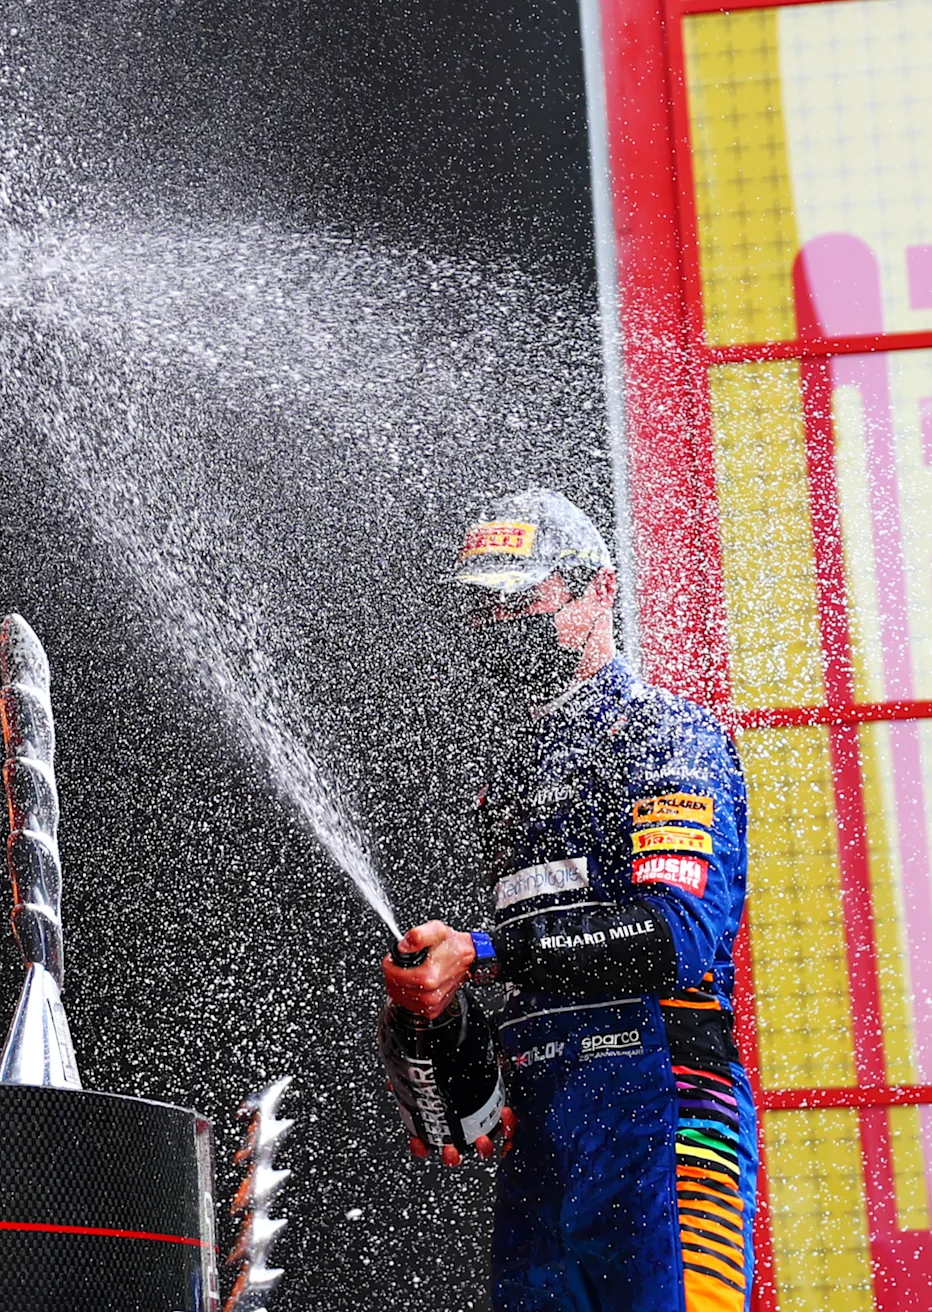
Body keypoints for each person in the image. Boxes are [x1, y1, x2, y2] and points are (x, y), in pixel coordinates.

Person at [382, 490, 754, 1312]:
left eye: (524, 599)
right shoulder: (507, 778)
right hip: (544, 1141)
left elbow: (675, 934)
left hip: (668, 1120)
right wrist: (441, 1040)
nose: (501, 623)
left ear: (601, 588)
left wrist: (482, 954)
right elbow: (541, 969)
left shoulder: (666, 734)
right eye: (484, 608)